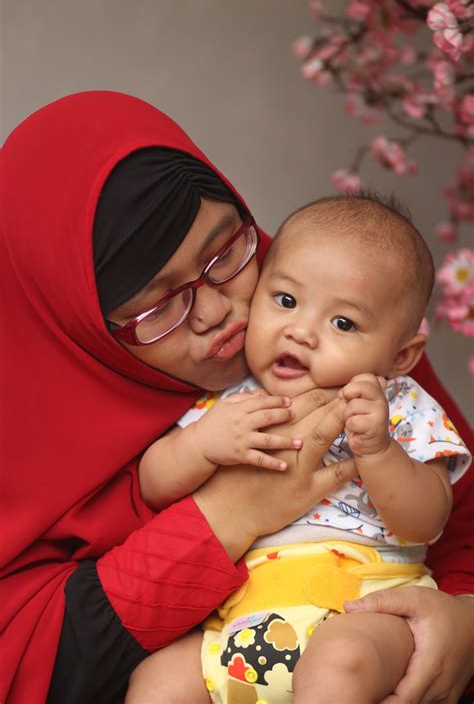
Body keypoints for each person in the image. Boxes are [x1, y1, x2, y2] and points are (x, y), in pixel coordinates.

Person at [0, 92, 472, 704]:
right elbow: (27, 656)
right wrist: (224, 516)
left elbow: (457, 516)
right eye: (158, 307)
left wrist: (465, 616)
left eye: (225, 254)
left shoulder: (346, 317)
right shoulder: (26, 427)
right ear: (82, 325)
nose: (217, 312)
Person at [128, 195, 471, 703]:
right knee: (158, 679)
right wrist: (201, 444)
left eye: (343, 323)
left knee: (341, 664)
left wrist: (380, 451)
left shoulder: (398, 405)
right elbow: (152, 484)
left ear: (401, 356)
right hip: (241, 622)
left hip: (364, 602)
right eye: (286, 300)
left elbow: (428, 521)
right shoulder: (228, 398)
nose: (301, 332)